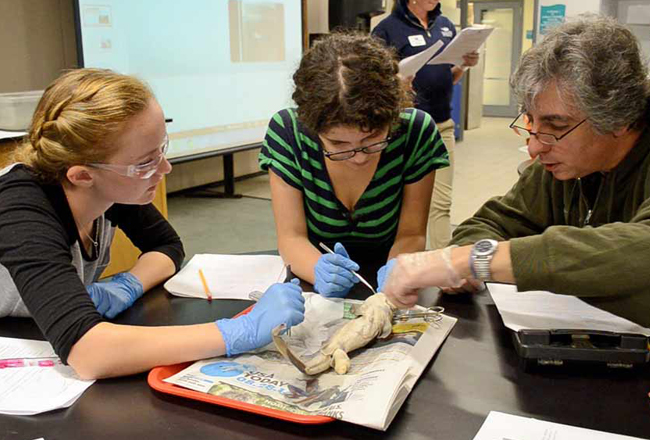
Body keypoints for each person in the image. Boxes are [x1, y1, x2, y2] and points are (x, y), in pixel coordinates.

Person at [0, 69, 305, 379]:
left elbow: (167, 246)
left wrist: (128, 284)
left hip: (39, 325)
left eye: (162, 149)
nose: (165, 168)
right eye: (145, 162)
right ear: (82, 175)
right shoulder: (20, 210)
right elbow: (89, 352)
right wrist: (237, 332)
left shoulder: (109, 183)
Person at [382, 14, 650, 327]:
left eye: (555, 125)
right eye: (530, 123)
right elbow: (487, 224)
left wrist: (475, 261)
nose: (535, 148)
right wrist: (465, 258)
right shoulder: (562, 167)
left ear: (617, 118)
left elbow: (637, 250)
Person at [259, 33, 450, 299]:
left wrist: (397, 271)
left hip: (392, 270)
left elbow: (411, 233)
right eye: (338, 144)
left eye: (372, 139)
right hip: (311, 275)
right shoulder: (288, 132)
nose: (359, 157)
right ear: (312, 127)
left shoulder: (416, 132)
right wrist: (317, 270)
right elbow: (291, 238)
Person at [372, 0, 479, 250]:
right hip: (404, 130)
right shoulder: (386, 29)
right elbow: (374, 83)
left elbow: (449, 77)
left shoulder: (444, 26)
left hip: (442, 126)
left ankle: (444, 264)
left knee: (441, 203)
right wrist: (396, 84)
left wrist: (463, 64)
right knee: (401, 203)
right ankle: (397, 260)